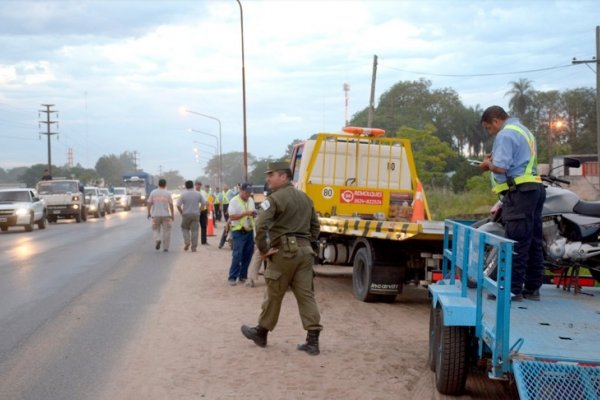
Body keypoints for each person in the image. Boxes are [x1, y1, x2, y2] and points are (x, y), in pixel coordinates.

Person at [241, 162, 322, 355]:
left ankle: (261, 333)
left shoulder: (274, 199)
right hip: (305, 253)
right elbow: (316, 227)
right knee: (306, 296)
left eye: (272, 175)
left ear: (284, 177)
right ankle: (312, 341)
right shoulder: (306, 198)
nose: (268, 179)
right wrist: (305, 242)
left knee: (273, 293)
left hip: (283, 253)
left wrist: (263, 249)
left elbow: (260, 226)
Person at [479, 105, 546, 301]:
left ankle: (511, 290)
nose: (491, 133)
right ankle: (533, 288)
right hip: (534, 189)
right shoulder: (524, 130)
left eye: (489, 128)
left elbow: (500, 167)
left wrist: (487, 165)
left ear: (496, 121)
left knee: (515, 241)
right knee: (533, 241)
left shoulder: (506, 134)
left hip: (520, 193)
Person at [226, 183, 256, 285]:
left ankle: (243, 276)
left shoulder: (251, 200)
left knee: (248, 254)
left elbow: (252, 212)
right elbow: (232, 217)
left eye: (249, 192)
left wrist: (253, 213)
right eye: (246, 192)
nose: (248, 194)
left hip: (249, 231)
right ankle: (232, 277)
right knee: (237, 254)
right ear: (241, 190)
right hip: (238, 231)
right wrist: (245, 213)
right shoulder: (234, 201)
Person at [176, 180, 205, 252]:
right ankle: (194, 247)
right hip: (196, 214)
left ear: (186, 186)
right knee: (195, 231)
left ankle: (187, 242)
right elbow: (204, 203)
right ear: (193, 185)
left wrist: (181, 212)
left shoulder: (183, 194)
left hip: (186, 214)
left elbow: (178, 205)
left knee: (184, 228)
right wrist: (200, 211)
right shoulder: (198, 194)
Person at [147, 178, 174, 252]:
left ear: (158, 184)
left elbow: (149, 203)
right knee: (167, 231)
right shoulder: (168, 193)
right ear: (165, 185)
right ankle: (165, 248)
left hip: (155, 215)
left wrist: (149, 212)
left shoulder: (153, 192)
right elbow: (171, 204)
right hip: (166, 215)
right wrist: (172, 215)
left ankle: (158, 239)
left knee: (155, 229)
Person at [195, 181, 209, 245]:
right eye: (197, 185)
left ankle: (204, 241)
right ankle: (194, 241)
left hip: (203, 211)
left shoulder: (203, 192)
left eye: (200, 185)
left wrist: (208, 210)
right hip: (195, 211)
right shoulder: (193, 193)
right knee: (195, 227)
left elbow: (206, 202)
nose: (198, 186)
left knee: (203, 226)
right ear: (195, 185)